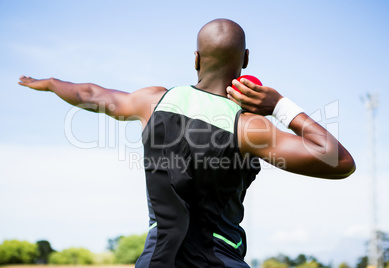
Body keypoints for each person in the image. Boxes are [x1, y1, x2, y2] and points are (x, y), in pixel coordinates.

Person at [18, 18, 355, 268]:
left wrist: (49, 83)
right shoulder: (250, 127)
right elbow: (338, 161)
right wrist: (279, 105)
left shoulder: (153, 101)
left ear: (196, 59)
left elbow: (89, 93)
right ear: (246, 59)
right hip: (220, 260)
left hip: (157, 260)